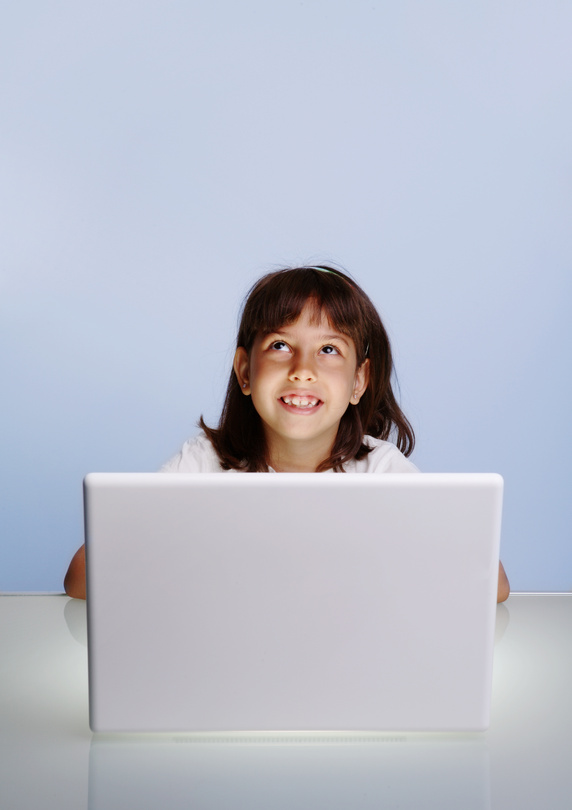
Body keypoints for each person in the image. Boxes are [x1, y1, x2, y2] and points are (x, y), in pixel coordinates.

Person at [64, 265, 510, 601]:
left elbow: (494, 587)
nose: (302, 371)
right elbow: (81, 579)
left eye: (329, 350)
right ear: (244, 371)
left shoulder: (380, 471)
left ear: (359, 381)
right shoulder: (203, 463)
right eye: (280, 346)